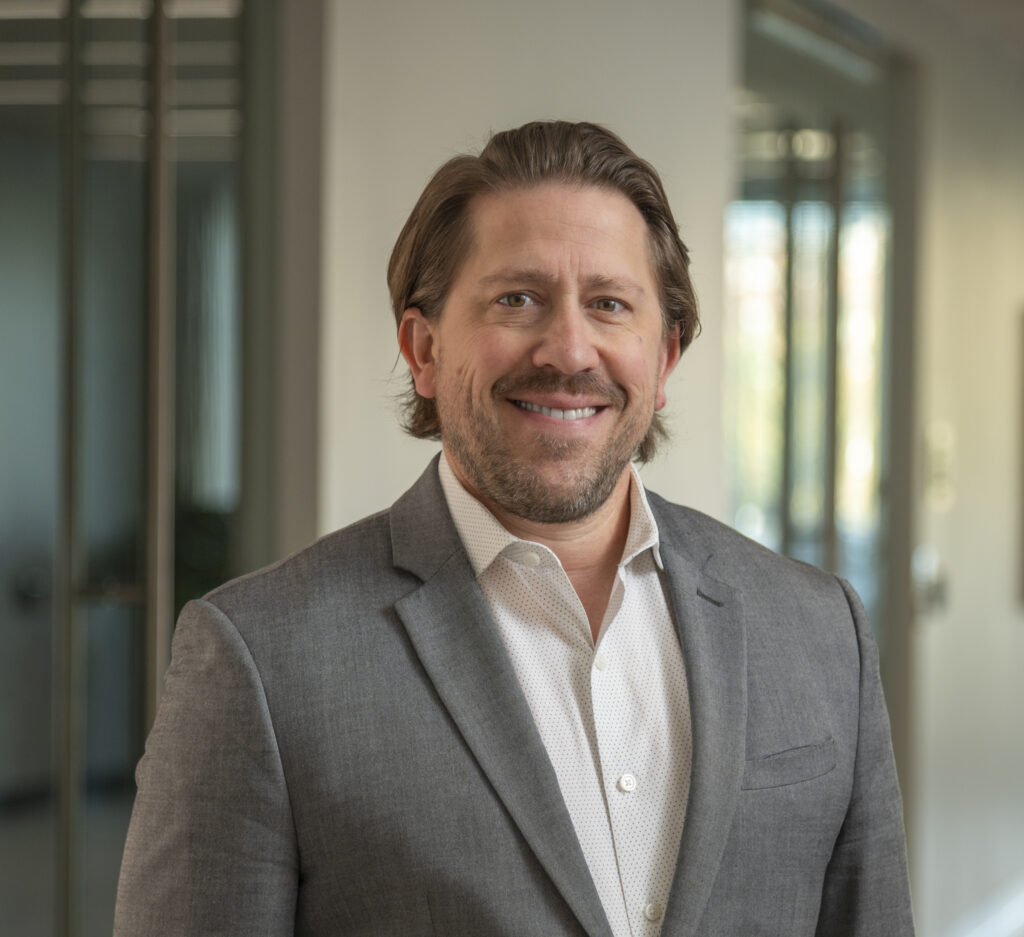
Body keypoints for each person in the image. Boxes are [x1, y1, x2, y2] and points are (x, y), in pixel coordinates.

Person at [114, 120, 914, 937]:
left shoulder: (820, 630)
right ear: (422, 349)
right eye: (517, 299)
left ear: (665, 358)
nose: (568, 349)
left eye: (609, 304)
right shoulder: (260, 659)